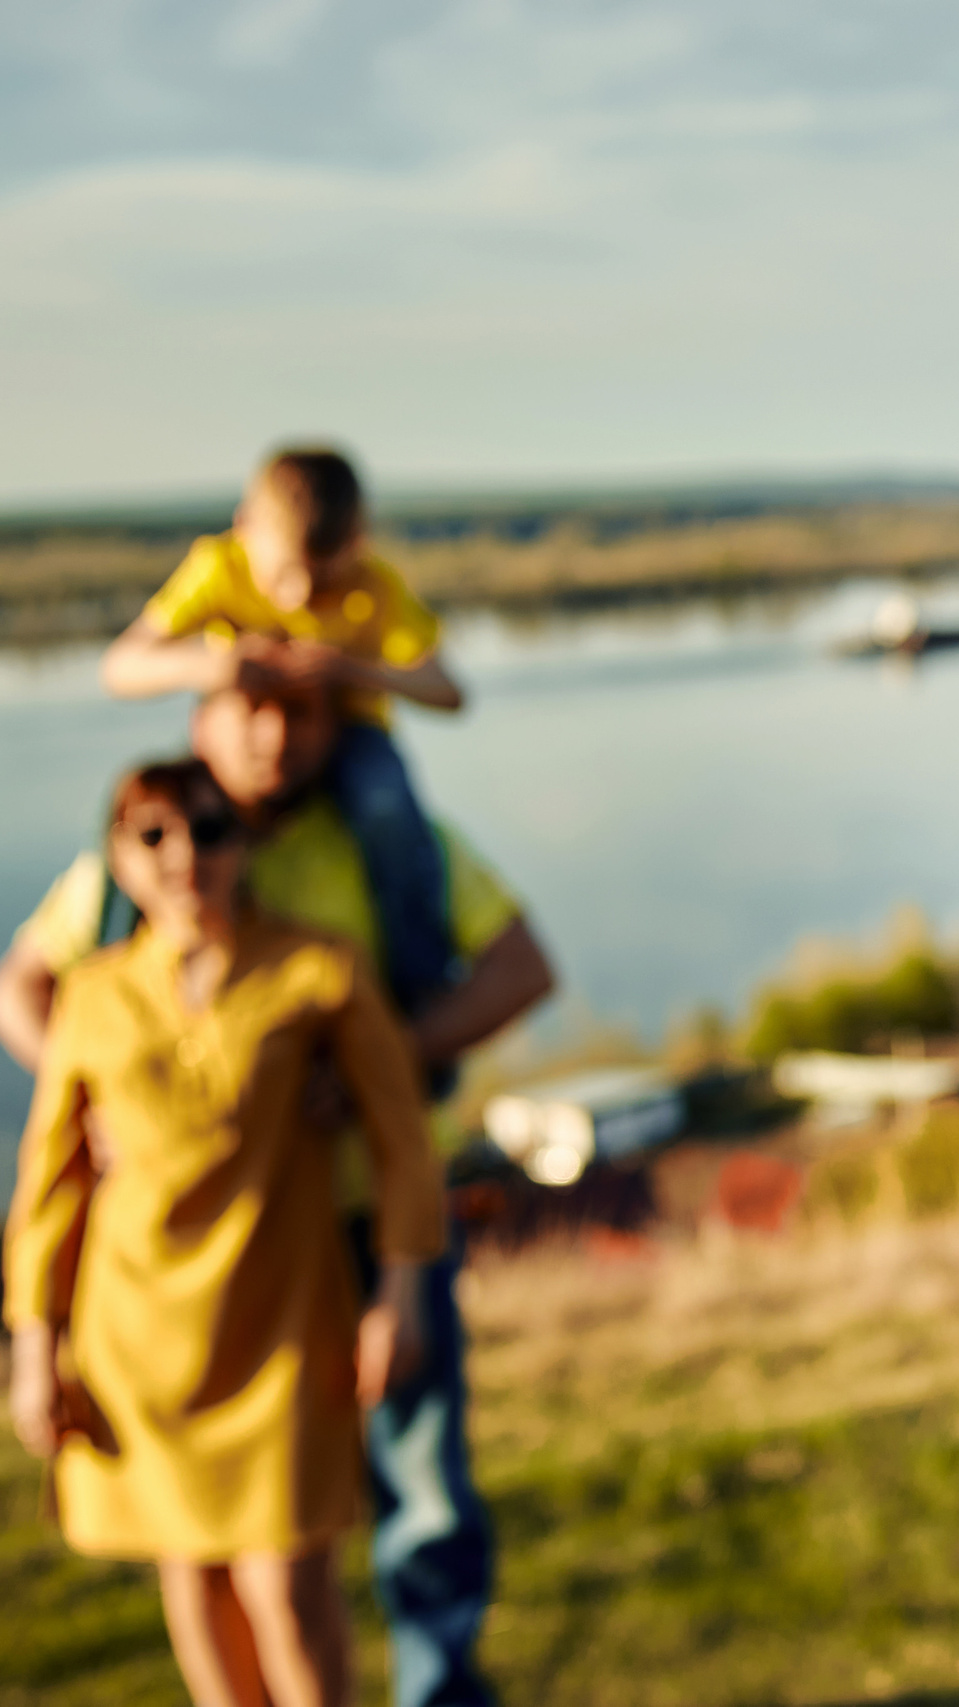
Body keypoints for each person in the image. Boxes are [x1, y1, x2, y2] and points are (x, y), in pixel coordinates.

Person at [0, 679, 553, 1707]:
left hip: (293, 1289)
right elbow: (47, 1164)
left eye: (207, 834)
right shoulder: (100, 979)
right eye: (155, 838)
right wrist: (39, 1327)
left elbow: (503, 994)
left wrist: (384, 1073)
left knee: (315, 1562)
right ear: (122, 850)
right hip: (145, 1324)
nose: (184, 856)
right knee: (193, 1568)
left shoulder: (343, 917)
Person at [99, 446, 465, 1013]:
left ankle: (417, 987)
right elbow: (121, 668)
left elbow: (448, 691)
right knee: (149, 818)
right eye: (283, 575)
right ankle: (113, 979)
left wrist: (350, 670)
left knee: (386, 806)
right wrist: (211, 666)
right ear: (243, 528)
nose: (297, 597)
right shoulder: (218, 567)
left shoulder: (375, 588)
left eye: (321, 581)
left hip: (348, 739)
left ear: (359, 540)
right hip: (232, 753)